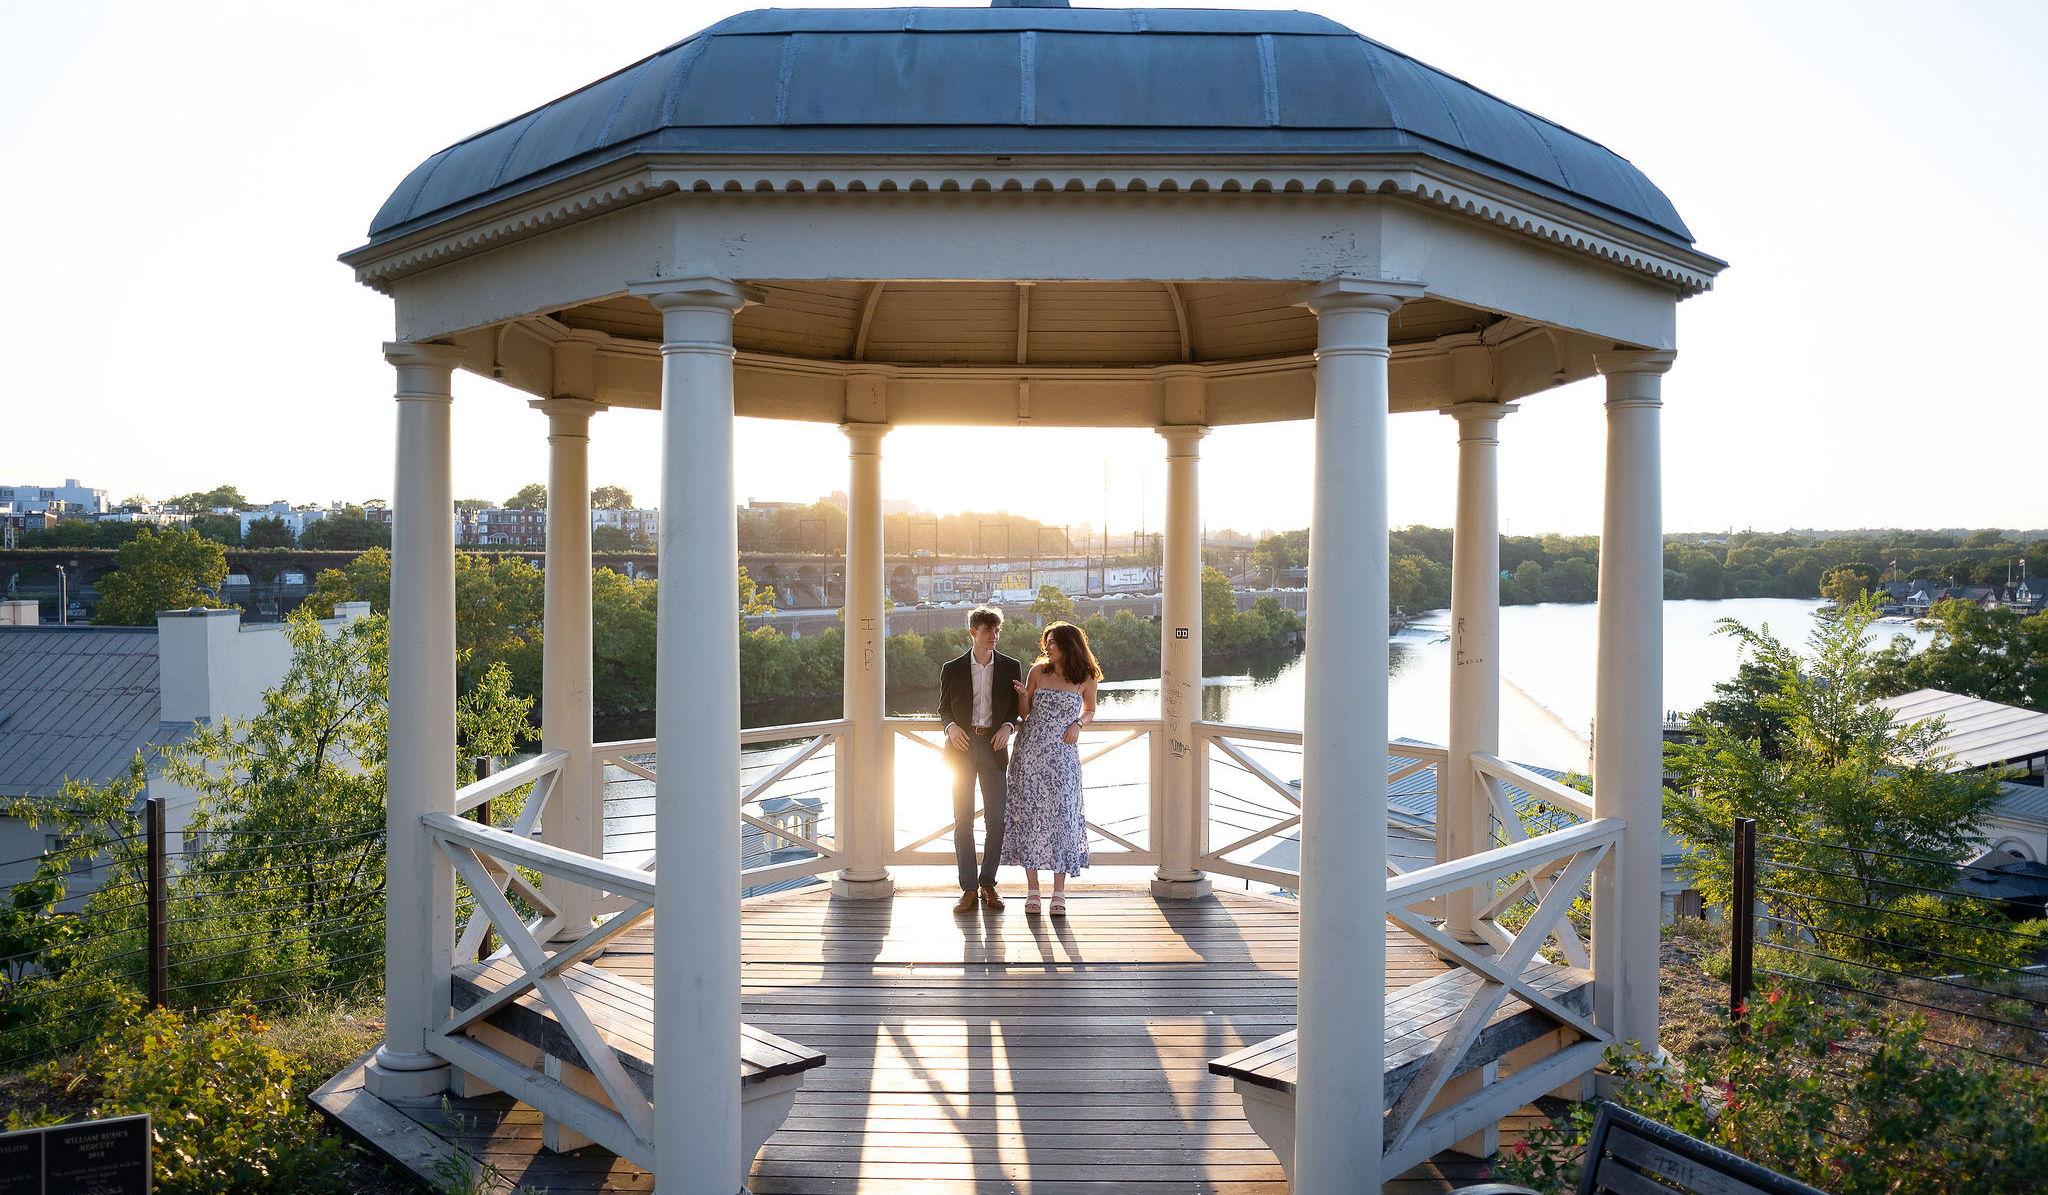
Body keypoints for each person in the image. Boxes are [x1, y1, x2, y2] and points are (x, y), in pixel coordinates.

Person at [1001, 620, 1099, 916]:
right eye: (1047, 641)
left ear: (1069, 646)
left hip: (1062, 756)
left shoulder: (1086, 676)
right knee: (1028, 816)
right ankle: (1033, 889)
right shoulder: (1037, 672)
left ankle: (1059, 892)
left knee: (1062, 817)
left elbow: (1090, 709)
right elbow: (1025, 713)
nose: (1048, 647)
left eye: (1054, 642)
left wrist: (1078, 723)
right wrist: (1022, 696)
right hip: (1029, 753)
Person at [938, 606, 1022, 914]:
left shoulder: (1011, 666)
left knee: (997, 820)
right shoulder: (952, 668)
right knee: (963, 821)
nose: (994, 636)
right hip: (961, 748)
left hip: (994, 747)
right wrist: (950, 727)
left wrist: (1008, 726)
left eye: (997, 631)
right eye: (988, 631)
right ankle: (969, 889)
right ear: (973, 632)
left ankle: (988, 883)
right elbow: (943, 709)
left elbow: (1014, 709)